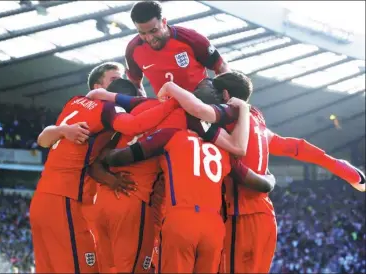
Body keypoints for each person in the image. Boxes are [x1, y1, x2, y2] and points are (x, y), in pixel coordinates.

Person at [158, 71, 366, 273]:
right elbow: (297, 147)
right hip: (266, 218)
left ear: (225, 95)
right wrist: (344, 169)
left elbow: (199, 110)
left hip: (239, 217)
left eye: (214, 91)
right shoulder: (260, 126)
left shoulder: (228, 115)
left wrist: (170, 87)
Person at [31, 69, 179, 273]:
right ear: (98, 88)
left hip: (46, 197)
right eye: (116, 78)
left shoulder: (75, 101)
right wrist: (177, 101)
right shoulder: (108, 111)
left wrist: (61, 130)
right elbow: (135, 125)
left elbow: (42, 140)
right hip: (66, 198)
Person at [93, 120, 275, 273]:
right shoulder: (225, 150)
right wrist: (270, 177)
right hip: (213, 225)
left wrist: (106, 154)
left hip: (181, 218)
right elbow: (261, 184)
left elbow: (120, 157)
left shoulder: (172, 135)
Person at [125, 1, 231, 96]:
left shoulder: (191, 39)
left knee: (207, 93)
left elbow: (221, 67)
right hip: (167, 109)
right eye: (142, 33)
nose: (149, 38)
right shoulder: (133, 50)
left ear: (164, 22)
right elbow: (135, 84)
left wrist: (228, 102)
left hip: (202, 103)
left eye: (153, 31)